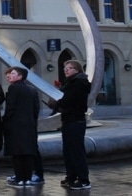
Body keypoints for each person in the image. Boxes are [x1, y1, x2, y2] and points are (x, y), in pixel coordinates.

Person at [48, 60, 92, 190]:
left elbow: (68, 101)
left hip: (75, 120)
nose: (66, 70)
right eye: (65, 67)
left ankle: (83, 180)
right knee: (68, 151)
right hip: (68, 120)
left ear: (77, 70)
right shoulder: (70, 83)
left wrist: (57, 103)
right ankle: (71, 176)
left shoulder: (78, 83)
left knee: (76, 151)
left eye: (70, 68)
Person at [2, 66, 40, 188]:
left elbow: (10, 108)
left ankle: (19, 179)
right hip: (29, 126)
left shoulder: (13, 88)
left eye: (13, 73)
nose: (9, 76)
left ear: (20, 76)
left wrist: (4, 120)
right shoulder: (32, 90)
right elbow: (36, 109)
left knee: (17, 153)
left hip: (16, 126)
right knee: (28, 153)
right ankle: (27, 179)